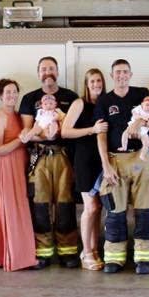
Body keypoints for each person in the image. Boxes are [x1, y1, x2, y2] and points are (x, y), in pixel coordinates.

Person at [94, 59, 149, 274]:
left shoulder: (142, 93)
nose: (121, 75)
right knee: (114, 209)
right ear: (112, 75)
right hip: (115, 160)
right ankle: (115, 257)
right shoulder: (104, 101)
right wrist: (105, 165)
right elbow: (101, 135)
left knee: (145, 208)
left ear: (131, 74)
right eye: (117, 72)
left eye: (125, 72)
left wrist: (141, 123)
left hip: (141, 159)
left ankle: (145, 257)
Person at [19, 56, 81, 269]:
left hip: (64, 157)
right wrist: (47, 135)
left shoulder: (70, 97)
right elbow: (27, 131)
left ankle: (68, 252)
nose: (48, 72)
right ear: (38, 73)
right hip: (39, 158)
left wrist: (55, 135)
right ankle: (43, 252)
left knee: (65, 204)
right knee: (40, 205)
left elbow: (70, 130)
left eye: (51, 68)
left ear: (58, 72)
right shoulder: (29, 98)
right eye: (44, 69)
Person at [0, 79, 39, 271]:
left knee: (20, 211)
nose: (11, 95)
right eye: (7, 92)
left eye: (14, 92)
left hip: (19, 166)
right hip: (4, 167)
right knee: (10, 212)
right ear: (0, 95)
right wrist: (20, 140)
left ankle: (21, 256)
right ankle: (12, 257)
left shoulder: (19, 116)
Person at [61, 68, 108, 270]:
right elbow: (65, 132)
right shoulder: (80, 103)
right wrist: (92, 130)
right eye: (93, 81)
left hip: (102, 160)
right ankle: (86, 252)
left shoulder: (105, 103)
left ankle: (92, 248)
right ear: (86, 84)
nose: (96, 84)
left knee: (98, 208)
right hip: (84, 160)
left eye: (99, 81)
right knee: (90, 207)